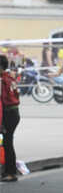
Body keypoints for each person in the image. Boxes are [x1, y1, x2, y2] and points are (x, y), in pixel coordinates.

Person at [1, 54, 21, 182]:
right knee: (8, 142)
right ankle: (8, 170)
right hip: (14, 113)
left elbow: (2, 101)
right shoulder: (10, 78)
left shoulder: (3, 81)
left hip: (8, 114)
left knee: (8, 143)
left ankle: (11, 173)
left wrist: (1, 122)